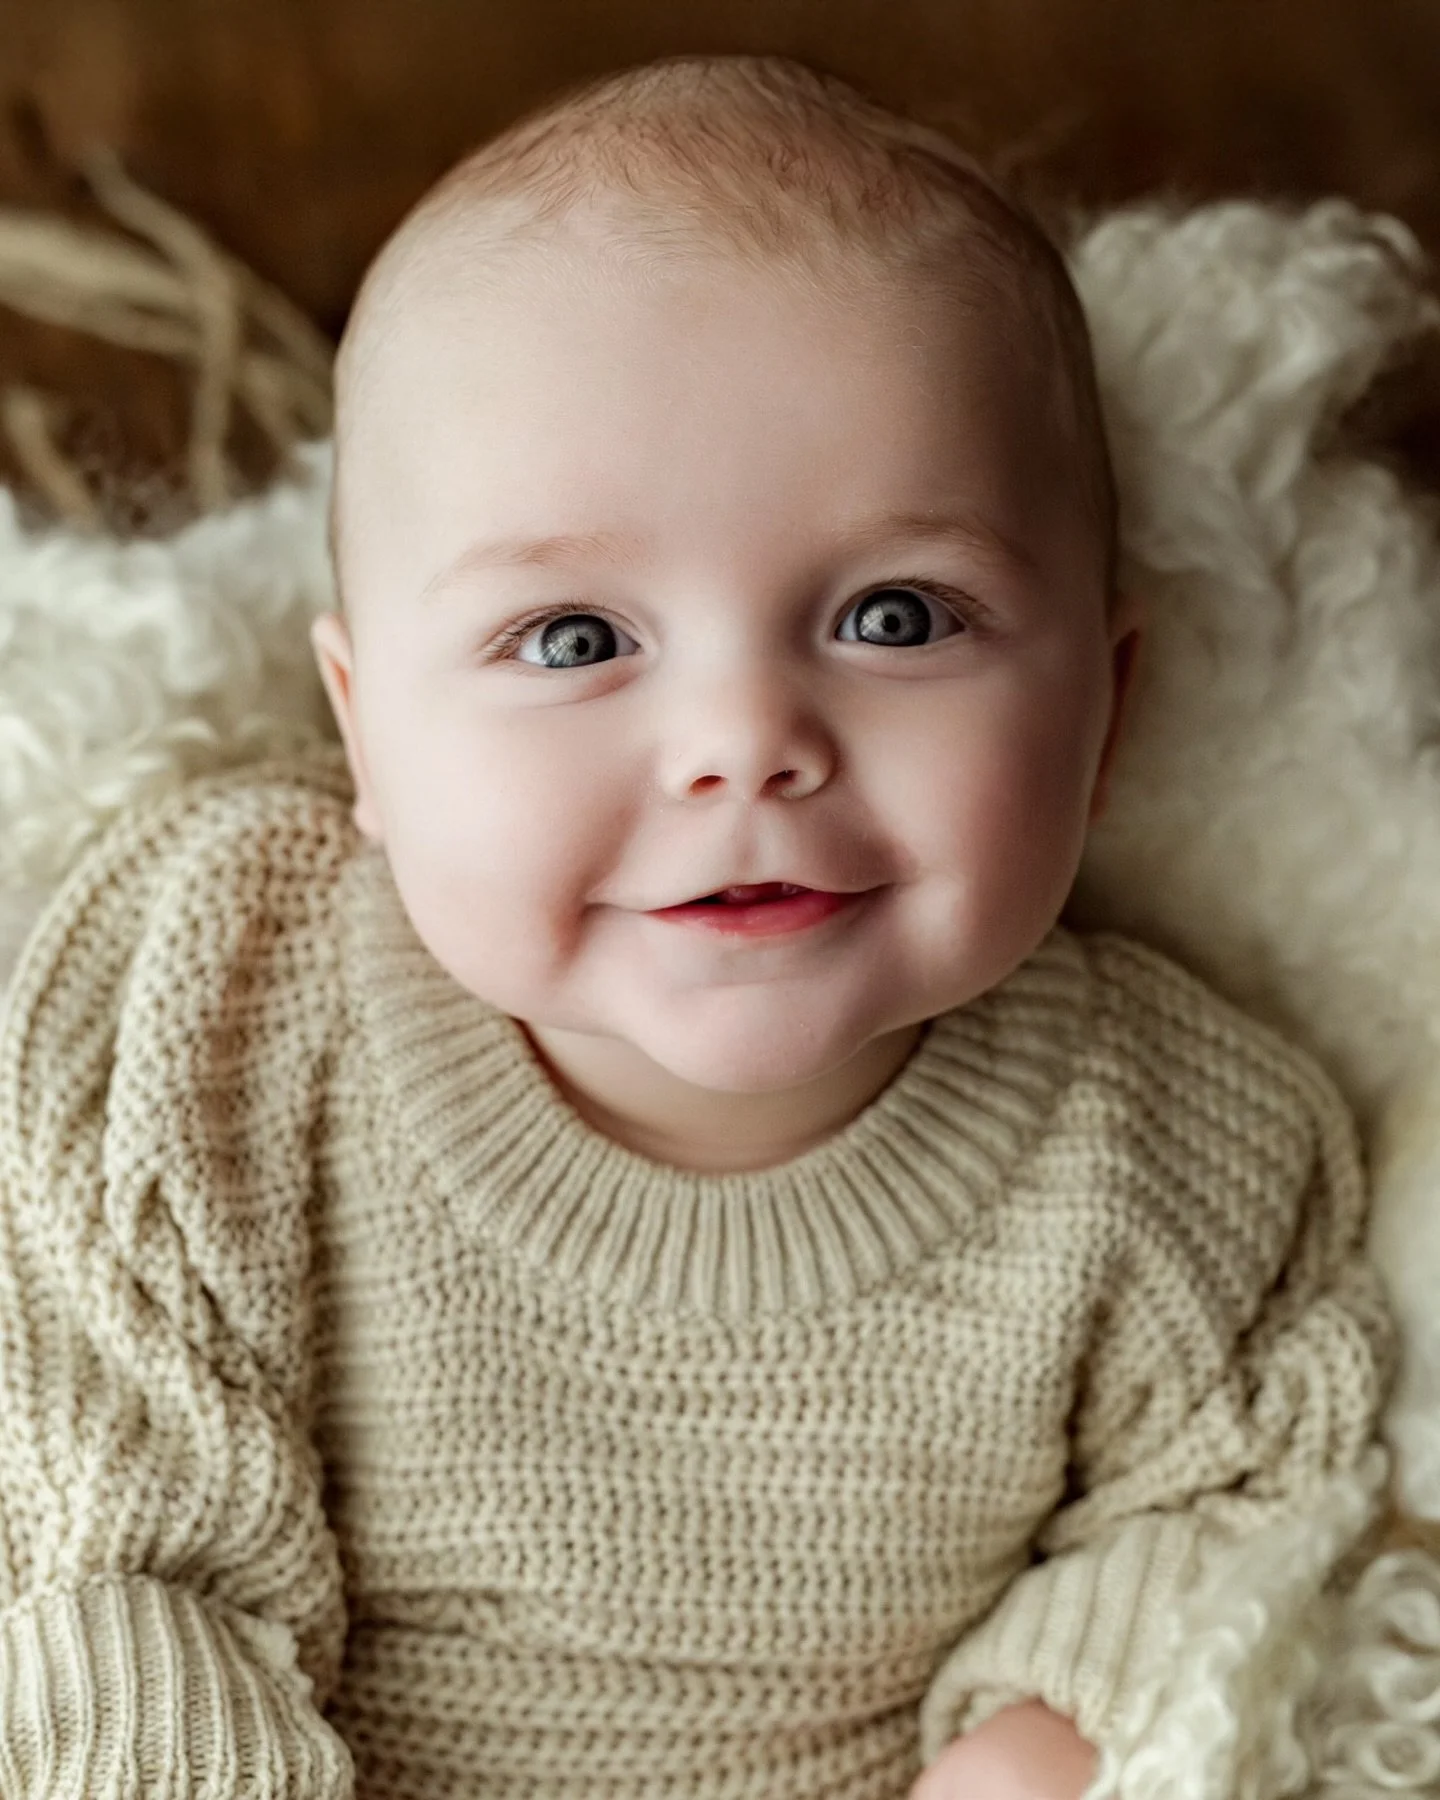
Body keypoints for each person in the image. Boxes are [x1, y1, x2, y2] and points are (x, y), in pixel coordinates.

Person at [0, 51, 1394, 1800]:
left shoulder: (1181, 1147)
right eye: (576, 639)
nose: (747, 740)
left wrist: (1056, 1731)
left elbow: (1248, 1494)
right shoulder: (219, 1014)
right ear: (367, 737)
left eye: (898, 613)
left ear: (1103, 717)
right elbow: (108, 1564)